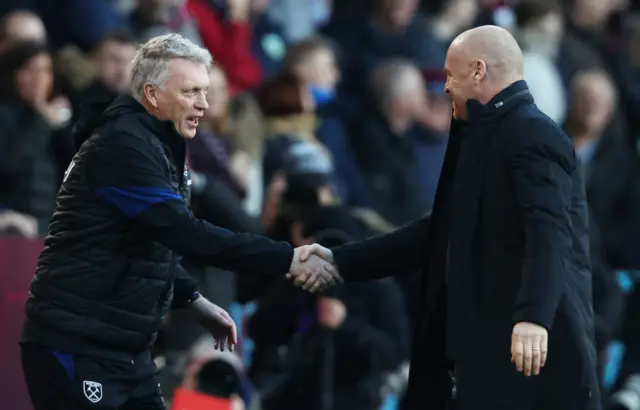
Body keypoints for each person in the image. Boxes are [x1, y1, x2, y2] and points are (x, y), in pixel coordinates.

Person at [19, 33, 339, 410]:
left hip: (126, 351)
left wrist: (192, 298)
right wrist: (288, 258)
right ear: (152, 95)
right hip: (75, 344)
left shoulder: (160, 143)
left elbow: (147, 241)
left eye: (205, 91)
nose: (205, 104)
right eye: (191, 92)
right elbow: (184, 233)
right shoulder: (123, 147)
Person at [293, 25, 600, 410]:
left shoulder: (532, 135)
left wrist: (533, 317)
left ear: (477, 70)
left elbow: (549, 231)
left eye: (451, 74)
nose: (445, 87)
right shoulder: (484, 136)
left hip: (527, 361)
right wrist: (340, 261)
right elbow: (434, 233)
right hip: (481, 353)